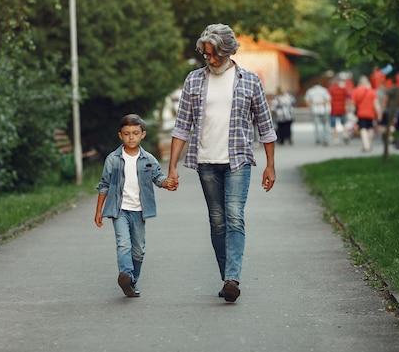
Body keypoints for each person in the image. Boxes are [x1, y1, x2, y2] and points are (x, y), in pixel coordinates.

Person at [168, 23, 277, 303]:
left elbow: (265, 126)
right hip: (206, 162)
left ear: (228, 51)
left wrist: (270, 165)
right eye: (206, 55)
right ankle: (226, 278)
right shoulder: (194, 80)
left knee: (234, 216)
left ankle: (233, 278)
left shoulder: (249, 81)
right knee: (217, 223)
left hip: (238, 160)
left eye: (215, 54)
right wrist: (172, 167)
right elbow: (182, 126)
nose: (211, 60)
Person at [94, 114, 176, 297]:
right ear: (120, 136)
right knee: (124, 244)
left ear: (143, 135)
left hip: (140, 211)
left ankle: (131, 282)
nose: (131, 137)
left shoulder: (148, 159)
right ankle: (125, 274)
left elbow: (158, 177)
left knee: (138, 250)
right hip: (119, 210)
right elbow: (104, 185)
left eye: (135, 133)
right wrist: (99, 210)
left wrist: (167, 183)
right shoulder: (113, 159)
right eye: (127, 133)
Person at [351, 75, 382, 152]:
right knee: (370, 128)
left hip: (361, 113)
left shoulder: (356, 90)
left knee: (363, 129)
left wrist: (352, 114)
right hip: (371, 114)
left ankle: (366, 145)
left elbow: (353, 103)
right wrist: (379, 113)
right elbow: (376, 104)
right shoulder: (372, 91)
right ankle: (368, 143)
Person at [304, 79, 331, 146]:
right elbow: (328, 99)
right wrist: (321, 103)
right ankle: (325, 138)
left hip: (314, 110)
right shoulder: (324, 90)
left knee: (316, 125)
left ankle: (317, 139)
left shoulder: (310, 91)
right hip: (323, 109)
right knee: (324, 124)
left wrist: (312, 105)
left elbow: (307, 102)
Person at [327, 75, 350, 144]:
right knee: (344, 123)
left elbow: (328, 99)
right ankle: (345, 134)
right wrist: (347, 106)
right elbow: (348, 97)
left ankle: (336, 138)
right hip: (342, 108)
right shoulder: (343, 89)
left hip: (333, 109)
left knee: (334, 125)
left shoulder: (330, 89)